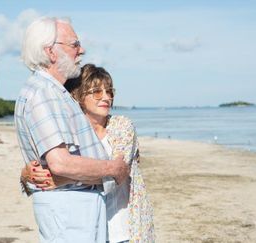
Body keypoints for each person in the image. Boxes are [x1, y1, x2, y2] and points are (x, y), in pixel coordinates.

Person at [15, 17, 130, 243]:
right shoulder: (43, 93)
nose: (81, 50)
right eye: (75, 44)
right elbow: (61, 163)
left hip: (77, 208)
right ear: (51, 52)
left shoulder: (55, 92)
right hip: (71, 209)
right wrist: (113, 168)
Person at [22, 64, 155, 242]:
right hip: (85, 226)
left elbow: (117, 173)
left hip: (122, 227)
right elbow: (44, 173)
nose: (106, 97)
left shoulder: (122, 126)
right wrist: (26, 176)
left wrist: (60, 179)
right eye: (97, 92)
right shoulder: (70, 132)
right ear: (78, 95)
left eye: (110, 91)